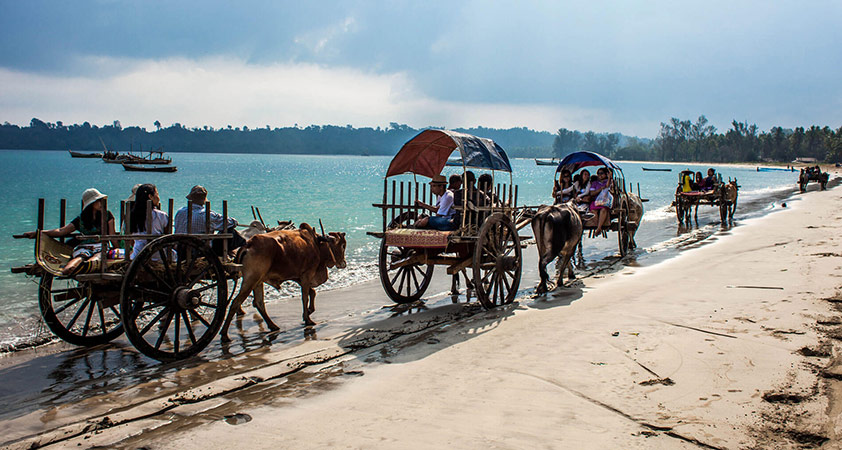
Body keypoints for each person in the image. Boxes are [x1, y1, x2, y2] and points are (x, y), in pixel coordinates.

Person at [23, 188, 116, 275]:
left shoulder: (107, 215)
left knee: (97, 256)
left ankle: (84, 266)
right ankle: (69, 268)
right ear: (91, 203)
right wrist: (38, 233)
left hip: (101, 246)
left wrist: (118, 248)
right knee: (81, 256)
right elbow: (62, 231)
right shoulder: (81, 219)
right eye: (98, 201)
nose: (101, 203)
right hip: (85, 247)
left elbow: (112, 235)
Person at [174, 185, 244, 254]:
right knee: (231, 231)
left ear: (191, 198)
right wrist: (234, 222)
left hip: (180, 249)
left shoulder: (180, 212)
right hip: (200, 250)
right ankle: (242, 250)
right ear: (204, 200)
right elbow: (231, 222)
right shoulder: (207, 215)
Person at [129, 184, 169, 259]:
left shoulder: (132, 216)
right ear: (150, 196)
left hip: (138, 256)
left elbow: (131, 240)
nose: (158, 198)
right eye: (157, 194)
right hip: (159, 256)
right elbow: (167, 237)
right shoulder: (162, 215)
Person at [588, 168, 613, 235]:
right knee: (593, 211)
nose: (600, 175)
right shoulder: (594, 183)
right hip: (595, 201)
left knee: (603, 210)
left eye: (601, 173)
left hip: (605, 201)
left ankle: (599, 228)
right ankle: (597, 227)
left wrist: (609, 177)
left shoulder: (608, 182)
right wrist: (600, 189)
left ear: (605, 174)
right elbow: (592, 193)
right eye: (598, 173)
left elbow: (608, 186)